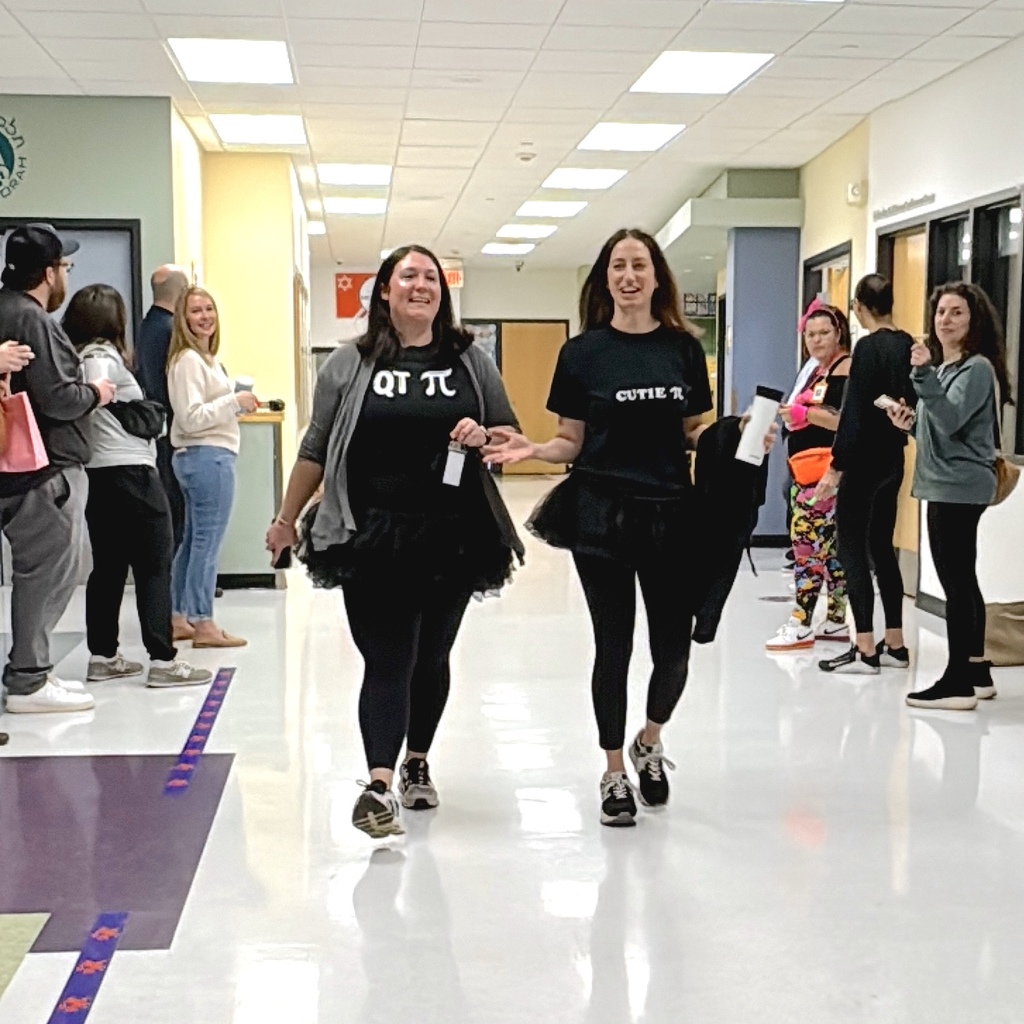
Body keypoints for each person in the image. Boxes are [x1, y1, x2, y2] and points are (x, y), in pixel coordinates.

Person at [485, 228, 772, 828]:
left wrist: (744, 436)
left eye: (639, 265)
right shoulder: (582, 354)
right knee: (612, 646)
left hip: (671, 513)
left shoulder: (682, 350)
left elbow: (694, 431)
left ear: (656, 277)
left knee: (672, 653)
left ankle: (650, 740)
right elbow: (571, 440)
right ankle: (614, 770)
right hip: (600, 514)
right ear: (606, 278)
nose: (629, 276)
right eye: (618, 265)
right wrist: (534, 447)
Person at [266, 244, 522, 839]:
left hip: (453, 535)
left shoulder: (469, 359)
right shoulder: (349, 363)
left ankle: (416, 761)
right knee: (388, 659)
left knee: (430, 657)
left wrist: (486, 434)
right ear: (385, 290)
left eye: (431, 277)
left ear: (442, 292)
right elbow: (315, 449)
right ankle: (378, 786)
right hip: (370, 533)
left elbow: (509, 433)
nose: (420, 285)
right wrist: (284, 519)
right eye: (408, 276)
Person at [62, 284, 213, 689]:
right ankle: (163, 660)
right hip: (130, 473)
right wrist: (108, 399)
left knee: (109, 567)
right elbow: (93, 393)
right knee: (154, 565)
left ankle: (104, 655)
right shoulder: (100, 357)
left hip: (100, 475)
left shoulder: (74, 356)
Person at [0, 223, 116, 713]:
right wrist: (97, 393)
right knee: (47, 570)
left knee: (51, 567)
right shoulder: (34, 321)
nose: (65, 275)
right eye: (64, 267)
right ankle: (28, 678)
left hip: (20, 468)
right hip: (43, 469)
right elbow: (58, 399)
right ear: (48, 272)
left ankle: (33, 670)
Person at [886, 282, 1010, 710]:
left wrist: (920, 375)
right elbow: (936, 429)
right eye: (940, 312)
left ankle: (957, 682)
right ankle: (975, 670)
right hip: (944, 482)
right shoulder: (946, 370)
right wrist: (908, 422)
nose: (945, 320)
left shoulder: (975, 369)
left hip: (957, 487)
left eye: (956, 312)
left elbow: (953, 419)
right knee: (963, 577)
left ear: (974, 321)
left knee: (955, 582)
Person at [817, 274, 917, 675]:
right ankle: (894, 640)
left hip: (862, 463)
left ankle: (863, 647)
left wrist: (836, 467)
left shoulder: (867, 347)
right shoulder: (909, 344)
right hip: (893, 459)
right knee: (882, 546)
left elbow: (854, 413)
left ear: (858, 307)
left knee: (851, 548)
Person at [167, 286, 256, 648]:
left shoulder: (208, 361)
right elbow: (189, 418)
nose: (204, 317)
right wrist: (233, 402)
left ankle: (179, 616)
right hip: (206, 456)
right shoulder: (188, 360)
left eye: (209, 309)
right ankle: (203, 622)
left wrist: (232, 402)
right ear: (183, 320)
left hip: (204, 457)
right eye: (195, 311)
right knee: (206, 542)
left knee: (192, 541)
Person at [765, 305, 851, 652]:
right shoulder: (818, 371)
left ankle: (801, 622)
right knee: (828, 551)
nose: (816, 340)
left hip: (824, 476)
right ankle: (834, 618)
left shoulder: (844, 369)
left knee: (807, 550)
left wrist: (806, 414)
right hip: (807, 472)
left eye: (823, 333)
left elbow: (844, 420)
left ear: (839, 333)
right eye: (810, 334)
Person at [136, 265, 189, 548]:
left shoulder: (148, 326)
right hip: (173, 431)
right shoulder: (170, 332)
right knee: (178, 508)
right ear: (182, 293)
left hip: (158, 429)